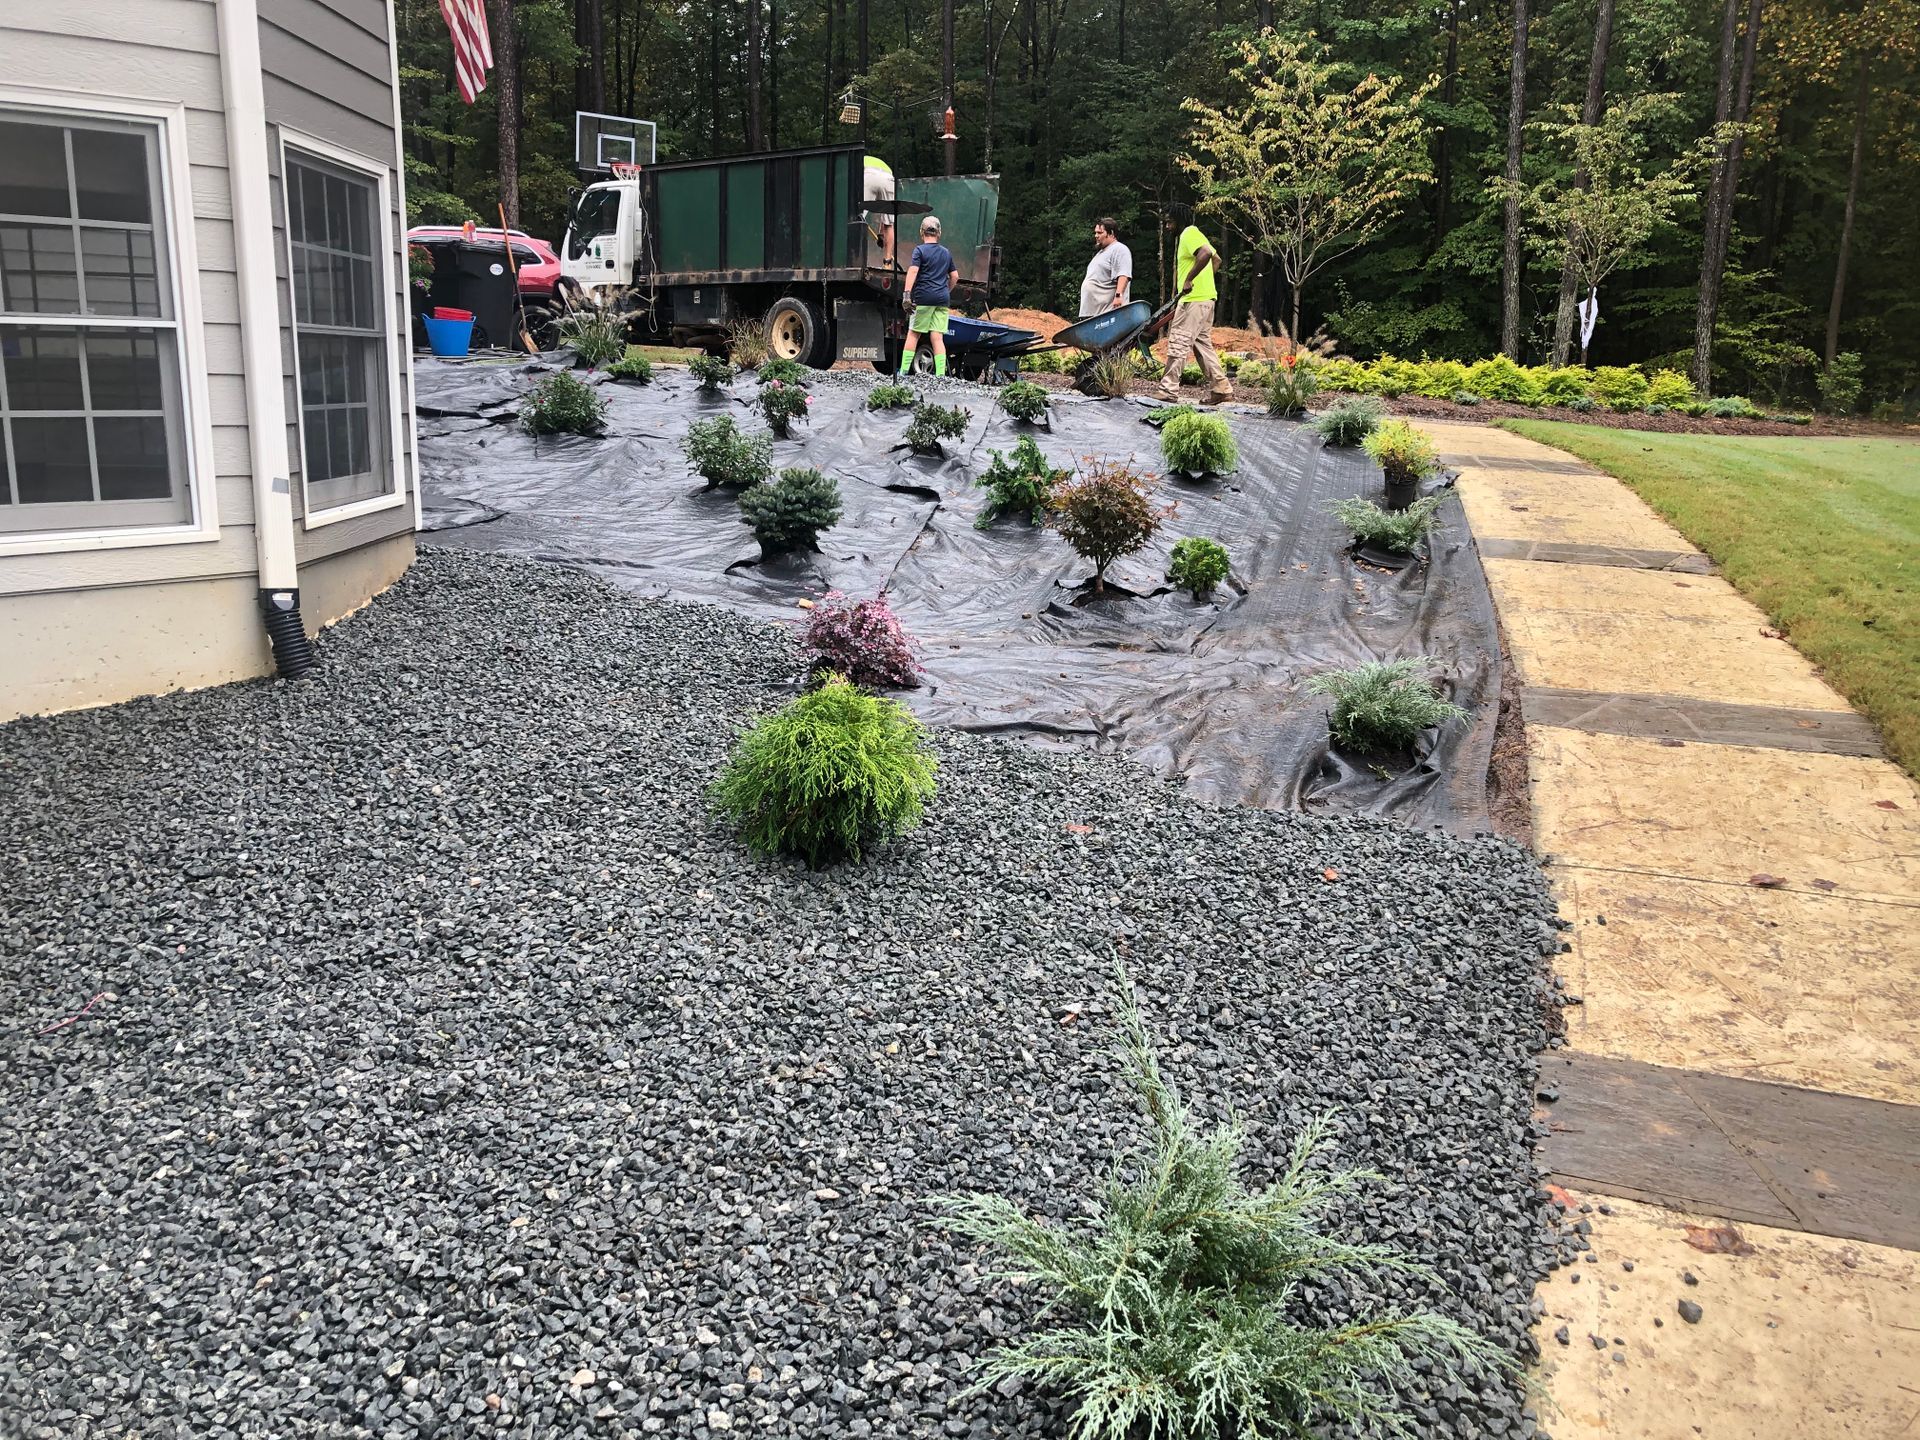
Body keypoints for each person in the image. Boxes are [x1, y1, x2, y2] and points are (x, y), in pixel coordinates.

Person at [1159, 214, 1231, 404]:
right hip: (1206, 299)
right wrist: (1203, 281)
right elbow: (1217, 260)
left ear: (1180, 221)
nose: (1167, 226)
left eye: (1170, 221)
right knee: (1202, 346)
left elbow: (1206, 253)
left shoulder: (1188, 233)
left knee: (1179, 342)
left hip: (1194, 300)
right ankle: (1221, 387)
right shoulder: (1197, 235)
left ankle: (1168, 389)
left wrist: (1190, 279)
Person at [899, 216, 960, 377]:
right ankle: (940, 374)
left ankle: (903, 371)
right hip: (942, 300)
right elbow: (954, 276)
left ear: (921, 232)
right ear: (939, 233)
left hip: (923, 298)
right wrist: (946, 291)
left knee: (914, 333)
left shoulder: (919, 251)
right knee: (937, 337)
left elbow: (913, 271)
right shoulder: (946, 253)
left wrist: (906, 295)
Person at [1078, 217, 1133, 316]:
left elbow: (1123, 274)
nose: (1096, 236)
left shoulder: (1119, 249)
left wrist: (1118, 296)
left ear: (1111, 233)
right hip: (1094, 316)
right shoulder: (1100, 253)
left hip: (1108, 313)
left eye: (1100, 233)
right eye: (1095, 233)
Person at [862, 155, 896, 266]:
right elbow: (884, 217)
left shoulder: (860, 160)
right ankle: (887, 263)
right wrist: (881, 235)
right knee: (889, 224)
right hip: (888, 178)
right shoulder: (882, 164)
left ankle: (855, 258)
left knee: (857, 218)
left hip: (869, 174)